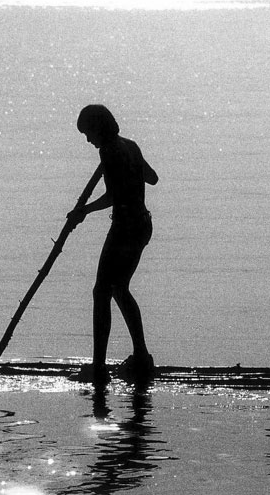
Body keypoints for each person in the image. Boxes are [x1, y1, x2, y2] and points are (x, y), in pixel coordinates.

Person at [67, 104, 158, 383]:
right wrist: (131, 168)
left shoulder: (109, 151)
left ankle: (98, 368)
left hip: (126, 228)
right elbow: (151, 178)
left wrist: (84, 211)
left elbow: (114, 197)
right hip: (143, 224)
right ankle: (141, 357)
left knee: (101, 292)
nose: (88, 140)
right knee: (119, 288)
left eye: (89, 133)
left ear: (99, 127)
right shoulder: (130, 146)